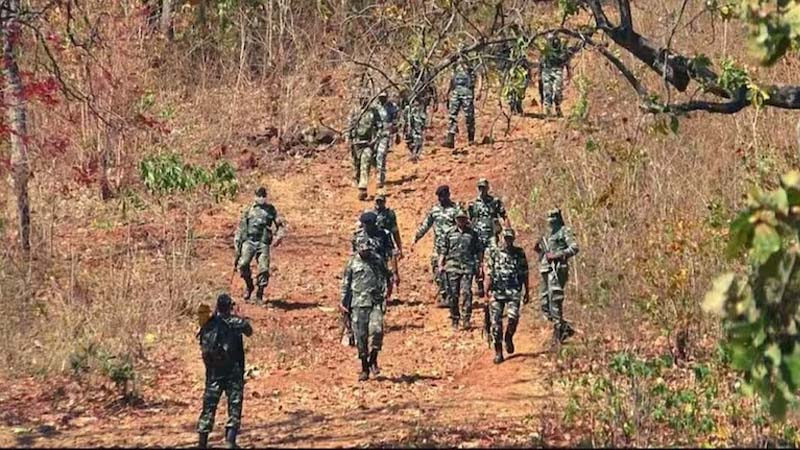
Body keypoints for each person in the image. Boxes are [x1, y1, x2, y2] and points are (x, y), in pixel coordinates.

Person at [197, 293, 253, 449]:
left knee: (209, 406)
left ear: (217, 306)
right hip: (233, 372)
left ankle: (202, 442)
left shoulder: (209, 323)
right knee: (234, 405)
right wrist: (238, 316)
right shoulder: (236, 322)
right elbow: (249, 331)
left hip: (213, 372)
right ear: (230, 306)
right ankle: (230, 441)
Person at [341, 238, 392, 381]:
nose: (365, 252)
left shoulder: (377, 259)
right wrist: (343, 303)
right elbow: (346, 284)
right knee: (361, 336)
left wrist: (387, 291)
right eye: (363, 250)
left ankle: (373, 358)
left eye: (367, 250)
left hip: (375, 301)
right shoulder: (352, 263)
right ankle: (364, 366)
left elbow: (388, 275)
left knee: (377, 330)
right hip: (358, 304)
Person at [233, 187, 285, 306]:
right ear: (255, 196)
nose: (261, 198)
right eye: (259, 195)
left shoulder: (271, 210)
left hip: (263, 242)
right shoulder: (248, 210)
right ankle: (249, 286)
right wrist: (237, 242)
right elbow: (241, 227)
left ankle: (259, 294)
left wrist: (278, 237)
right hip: (249, 241)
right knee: (243, 264)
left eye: (263, 195)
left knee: (264, 269)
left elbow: (280, 226)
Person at [535, 208, 579, 346]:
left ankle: (559, 331)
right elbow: (541, 251)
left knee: (555, 300)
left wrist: (557, 255)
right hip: (545, 270)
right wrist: (539, 249)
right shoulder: (547, 234)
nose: (551, 221)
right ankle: (565, 328)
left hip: (557, 269)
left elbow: (574, 248)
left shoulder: (564, 231)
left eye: (553, 218)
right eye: (549, 218)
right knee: (544, 304)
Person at [486, 229, 529, 363]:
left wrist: (527, 291)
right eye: (505, 238)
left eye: (510, 238)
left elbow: (524, 273)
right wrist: (486, 291)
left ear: (513, 239)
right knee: (496, 324)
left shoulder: (519, 253)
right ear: (502, 239)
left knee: (513, 318)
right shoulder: (494, 253)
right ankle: (498, 352)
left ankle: (508, 337)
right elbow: (489, 272)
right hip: (497, 292)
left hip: (514, 291)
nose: (507, 241)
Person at [411, 185, 459, 307]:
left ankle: (452, 296)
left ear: (448, 195)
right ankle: (444, 294)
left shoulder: (456, 210)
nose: (441, 199)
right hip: (438, 246)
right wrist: (416, 237)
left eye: (443, 196)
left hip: (452, 247)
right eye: (439, 196)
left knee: (452, 272)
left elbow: (463, 226)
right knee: (437, 270)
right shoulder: (435, 210)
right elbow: (426, 225)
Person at [439, 208, 484, 330]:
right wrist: (441, 264)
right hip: (452, 267)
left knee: (466, 293)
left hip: (467, 267)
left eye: (463, 219)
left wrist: (480, 265)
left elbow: (479, 251)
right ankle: (455, 318)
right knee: (453, 295)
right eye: (459, 219)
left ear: (466, 220)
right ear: (455, 220)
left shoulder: (473, 234)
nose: (461, 221)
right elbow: (443, 250)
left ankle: (466, 319)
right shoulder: (449, 233)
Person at [468, 178, 510, 297]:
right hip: (477, 237)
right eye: (480, 188)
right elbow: (469, 220)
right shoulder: (473, 204)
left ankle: (493, 284)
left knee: (493, 258)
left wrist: (508, 230)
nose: (482, 190)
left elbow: (504, 216)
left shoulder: (495, 202)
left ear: (488, 188)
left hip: (492, 236)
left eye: (484, 187)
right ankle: (480, 285)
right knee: (478, 261)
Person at [348, 90, 380, 200]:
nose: (363, 101)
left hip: (367, 144)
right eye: (361, 98)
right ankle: (359, 184)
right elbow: (349, 126)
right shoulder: (354, 112)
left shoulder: (373, 113)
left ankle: (363, 187)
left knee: (365, 164)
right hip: (355, 144)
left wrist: (375, 140)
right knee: (356, 166)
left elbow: (379, 127)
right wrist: (348, 139)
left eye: (365, 99)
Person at [538, 33, 580, 117]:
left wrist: (568, 72)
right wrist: (539, 74)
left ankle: (557, 106)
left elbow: (566, 60)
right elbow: (541, 61)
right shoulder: (545, 50)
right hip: (546, 71)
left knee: (557, 91)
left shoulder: (561, 48)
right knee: (547, 91)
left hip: (558, 71)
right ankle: (548, 110)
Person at [443, 47, 477, 148]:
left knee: (469, 116)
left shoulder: (470, 65)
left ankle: (471, 139)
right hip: (456, 92)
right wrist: (447, 92)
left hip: (467, 92)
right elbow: (451, 79)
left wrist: (478, 90)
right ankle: (450, 139)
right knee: (452, 115)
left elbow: (478, 77)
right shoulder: (455, 65)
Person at [375, 92, 400, 189]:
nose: (382, 99)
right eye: (380, 97)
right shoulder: (375, 107)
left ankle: (380, 179)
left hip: (386, 134)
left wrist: (396, 134)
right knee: (374, 156)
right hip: (375, 135)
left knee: (381, 154)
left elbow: (396, 122)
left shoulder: (391, 107)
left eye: (384, 97)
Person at [374, 194, 403, 260]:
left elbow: (395, 232)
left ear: (384, 202)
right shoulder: (370, 215)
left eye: (381, 201)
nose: (379, 203)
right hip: (375, 245)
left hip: (387, 244)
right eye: (377, 201)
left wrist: (399, 248)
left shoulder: (389, 214)